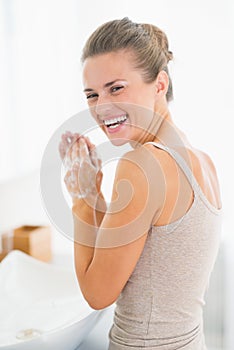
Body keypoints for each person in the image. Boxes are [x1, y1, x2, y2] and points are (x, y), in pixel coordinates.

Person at [59, 17, 222, 350]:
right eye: (91, 94)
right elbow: (151, 265)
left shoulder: (142, 165)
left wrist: (81, 196)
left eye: (116, 88)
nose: (102, 106)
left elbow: (97, 293)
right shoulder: (204, 162)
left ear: (159, 85)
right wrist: (96, 196)